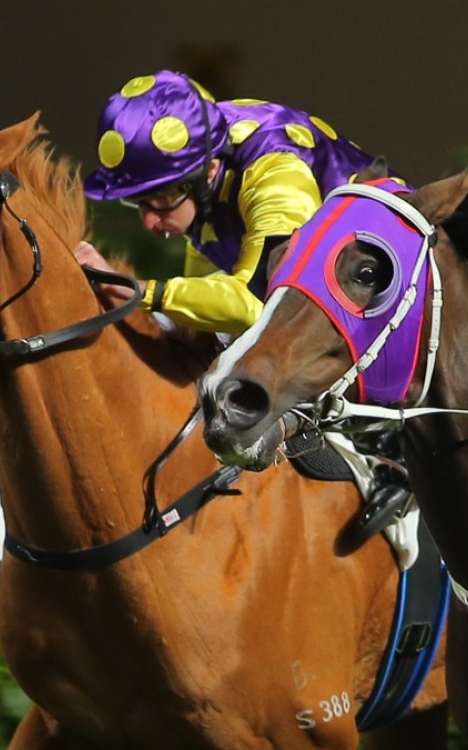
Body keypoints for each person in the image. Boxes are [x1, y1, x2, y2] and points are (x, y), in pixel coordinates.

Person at [77, 69, 410, 529]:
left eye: (161, 202)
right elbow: (209, 302)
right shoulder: (208, 171)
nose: (151, 225)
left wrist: (142, 292)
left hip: (385, 303)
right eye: (140, 205)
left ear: (207, 172)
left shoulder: (276, 171)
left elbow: (257, 306)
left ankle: (392, 458)